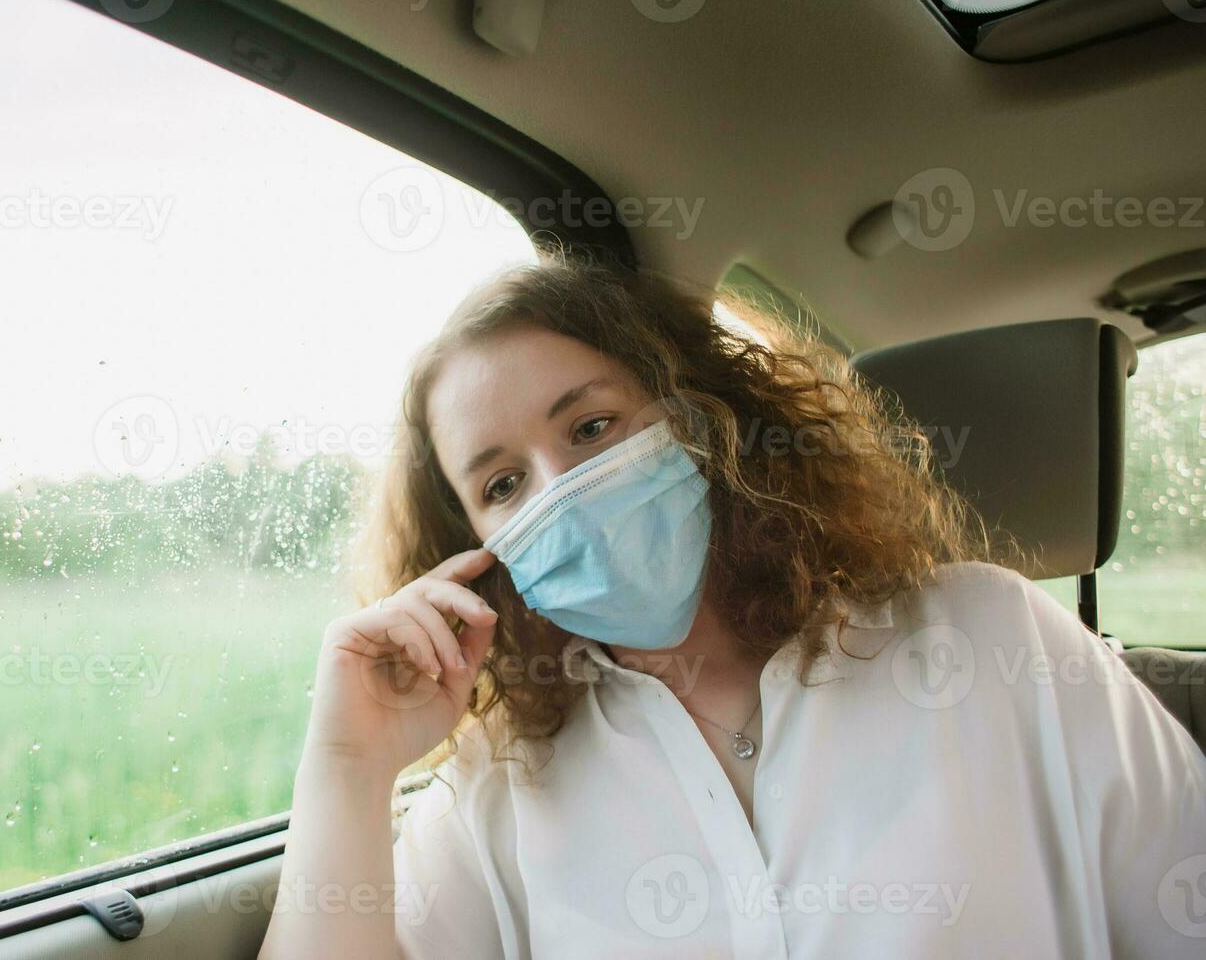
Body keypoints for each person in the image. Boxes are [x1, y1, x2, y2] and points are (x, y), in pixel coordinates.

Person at [258, 254, 1206, 959]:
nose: (562, 491)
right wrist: (347, 765)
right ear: (470, 550)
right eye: (504, 485)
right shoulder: (493, 792)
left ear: (701, 417)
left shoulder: (995, 641)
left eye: (592, 427)